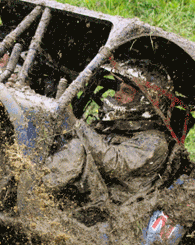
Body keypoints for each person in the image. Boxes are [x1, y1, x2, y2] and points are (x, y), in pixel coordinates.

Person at [44, 60, 178, 210]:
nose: (117, 95)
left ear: (147, 101)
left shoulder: (154, 142)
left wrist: (76, 124)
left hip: (108, 207)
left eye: (126, 91)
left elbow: (113, 163)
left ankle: (32, 189)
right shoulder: (119, 127)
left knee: (77, 148)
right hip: (90, 190)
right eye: (119, 89)